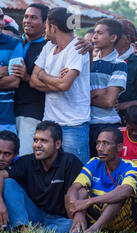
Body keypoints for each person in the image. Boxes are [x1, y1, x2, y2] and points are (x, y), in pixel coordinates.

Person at [30, 7, 91, 164]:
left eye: (46, 26)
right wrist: (57, 81)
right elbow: (33, 81)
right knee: (49, 174)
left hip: (74, 125)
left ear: (53, 27)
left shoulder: (78, 47)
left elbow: (63, 85)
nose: (44, 30)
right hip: (50, 123)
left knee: (77, 176)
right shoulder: (48, 46)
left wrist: (44, 76)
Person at [0, 121, 83, 233]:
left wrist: (75, 219)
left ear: (57, 144)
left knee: (71, 225)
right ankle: (24, 231)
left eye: (43, 141)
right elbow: (1, 174)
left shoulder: (70, 162)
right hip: (34, 215)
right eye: (35, 140)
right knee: (9, 183)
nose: (37, 145)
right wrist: (0, 203)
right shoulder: (27, 161)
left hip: (59, 220)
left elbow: (78, 193)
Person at [67, 127, 137, 233]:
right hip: (96, 215)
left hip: (121, 222)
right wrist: (78, 211)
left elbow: (125, 191)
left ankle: (93, 231)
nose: (100, 148)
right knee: (81, 190)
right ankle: (77, 228)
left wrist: (88, 202)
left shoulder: (130, 166)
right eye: (98, 143)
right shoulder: (94, 162)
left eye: (105, 143)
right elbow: (74, 187)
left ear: (119, 147)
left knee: (117, 196)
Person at [10, 4, 48, 156]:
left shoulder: (49, 48)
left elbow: (51, 84)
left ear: (45, 23)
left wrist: (27, 76)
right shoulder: (13, 43)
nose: (27, 21)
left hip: (31, 112)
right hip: (7, 111)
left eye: (33, 17)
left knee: (25, 157)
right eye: (26, 17)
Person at [89, 18, 127, 158]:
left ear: (113, 37)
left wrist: (84, 97)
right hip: (86, 123)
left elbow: (108, 102)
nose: (94, 36)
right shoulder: (88, 61)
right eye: (94, 32)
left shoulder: (119, 64)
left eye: (99, 33)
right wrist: (97, 93)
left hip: (107, 124)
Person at [114, 20, 137, 117]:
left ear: (127, 38)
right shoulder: (105, 59)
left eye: (116, 34)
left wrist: (121, 106)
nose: (112, 37)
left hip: (127, 120)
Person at [0, 8, 22, 134]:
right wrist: (3, 71)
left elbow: (14, 82)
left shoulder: (14, 43)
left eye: (1, 17)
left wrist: (9, 72)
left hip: (5, 122)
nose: (1, 23)